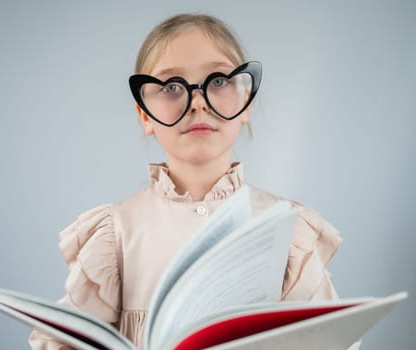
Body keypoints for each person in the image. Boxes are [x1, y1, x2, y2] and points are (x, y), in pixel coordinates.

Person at [29, 13, 358, 350]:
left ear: (245, 100)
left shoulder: (287, 231)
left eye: (218, 81)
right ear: (145, 114)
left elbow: (330, 340)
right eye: (172, 87)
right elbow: (58, 341)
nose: (198, 102)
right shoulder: (116, 235)